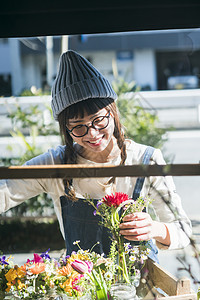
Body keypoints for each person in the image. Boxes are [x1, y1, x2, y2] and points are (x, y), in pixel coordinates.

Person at [0, 50, 192, 260]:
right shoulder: (56, 164)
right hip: (80, 286)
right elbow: (5, 191)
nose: (92, 133)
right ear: (66, 129)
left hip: (139, 286)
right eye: (78, 127)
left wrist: (156, 229)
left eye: (98, 120)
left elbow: (182, 229)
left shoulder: (145, 159)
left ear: (113, 111)